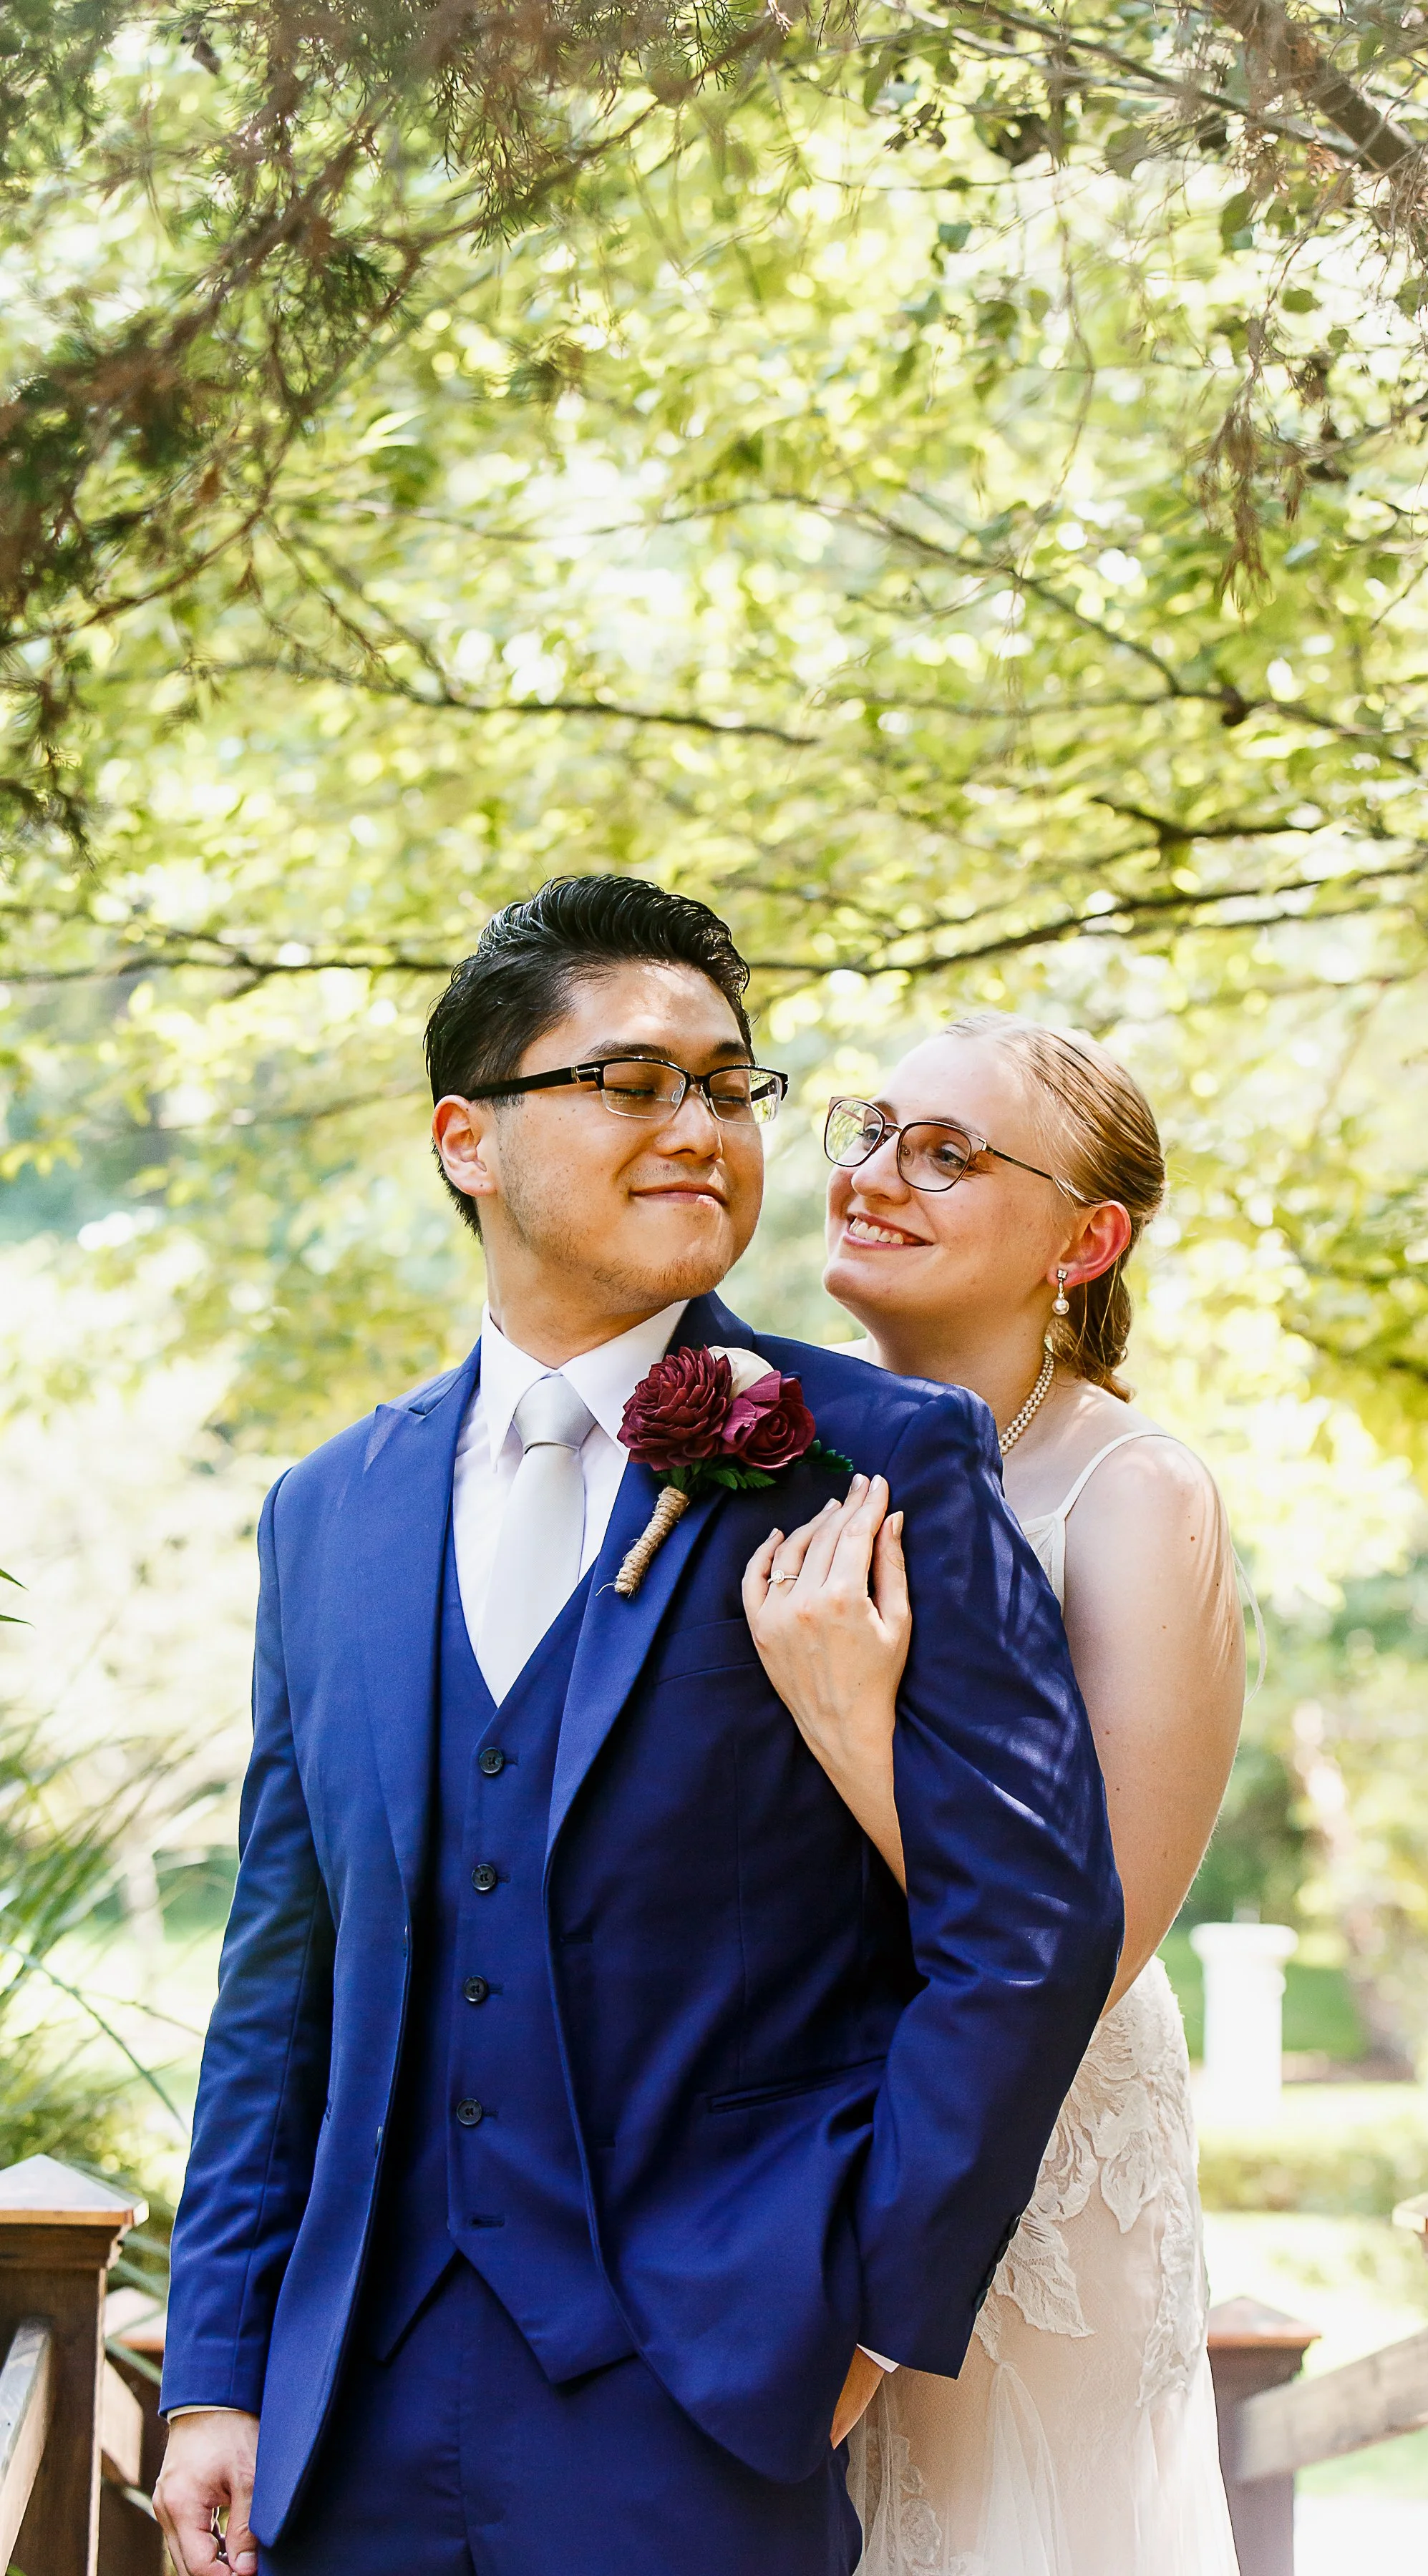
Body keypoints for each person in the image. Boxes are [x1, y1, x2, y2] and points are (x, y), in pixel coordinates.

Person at [152, 885, 1125, 2576]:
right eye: (632, 1083)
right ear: (470, 1139)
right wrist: (217, 2370)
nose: (702, 1130)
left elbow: (1033, 1924)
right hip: (348, 2412)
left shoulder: (881, 1456)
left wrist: (873, 2311)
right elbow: (280, 1968)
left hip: (707, 2394)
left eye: (731, 1089)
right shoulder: (329, 1510)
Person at [743, 1013, 1246, 2573]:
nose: (876, 1177)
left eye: (948, 1156)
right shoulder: (779, 1452)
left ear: (1086, 1239)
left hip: (1031, 2171)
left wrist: (851, 1727)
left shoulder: (1131, 1496)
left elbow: (1092, 1945)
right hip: (778, 2162)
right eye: (874, 1129)